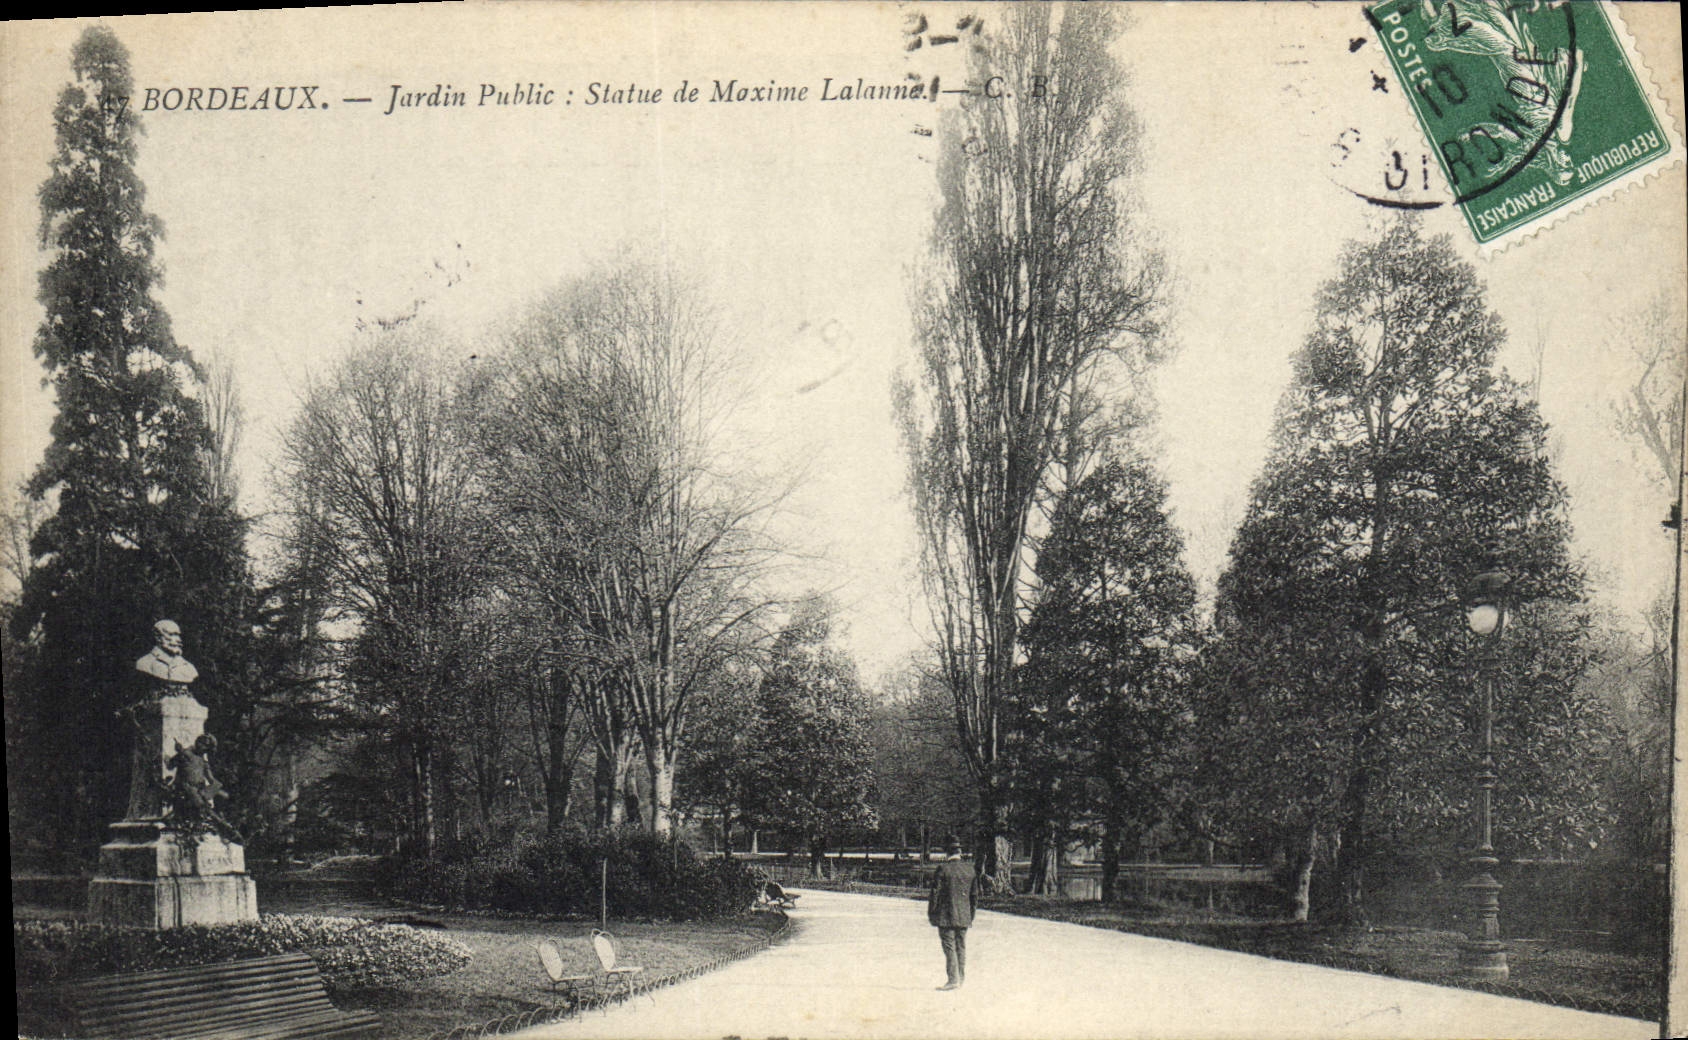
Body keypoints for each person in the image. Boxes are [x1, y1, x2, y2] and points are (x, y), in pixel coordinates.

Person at [927, 835, 980, 991]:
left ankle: (953, 979)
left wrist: (932, 914)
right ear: (960, 852)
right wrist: (970, 915)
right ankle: (960, 978)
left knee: (949, 946)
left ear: (947, 853)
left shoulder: (943, 870)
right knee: (961, 946)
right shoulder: (970, 870)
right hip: (964, 915)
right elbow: (974, 896)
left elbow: (934, 895)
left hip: (946, 915)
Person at [135, 619, 198, 685]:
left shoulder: (189, 667)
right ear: (158, 637)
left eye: (178, 635)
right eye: (172, 635)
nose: (178, 640)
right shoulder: (144, 663)